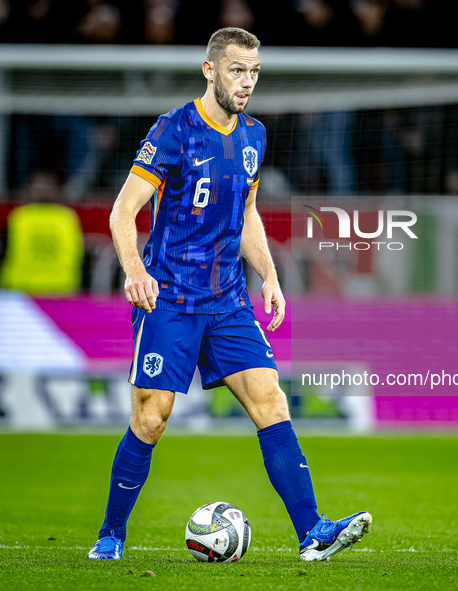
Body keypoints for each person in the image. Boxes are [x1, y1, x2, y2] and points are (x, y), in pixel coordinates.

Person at [87, 27, 371, 563]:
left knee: (272, 402)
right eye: (238, 70)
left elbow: (246, 214)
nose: (247, 82)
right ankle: (111, 535)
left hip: (227, 300)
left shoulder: (254, 136)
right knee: (151, 419)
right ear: (210, 70)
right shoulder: (174, 129)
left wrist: (269, 275)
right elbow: (123, 211)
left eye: (255, 71)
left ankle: (313, 533)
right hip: (167, 297)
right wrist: (133, 271)